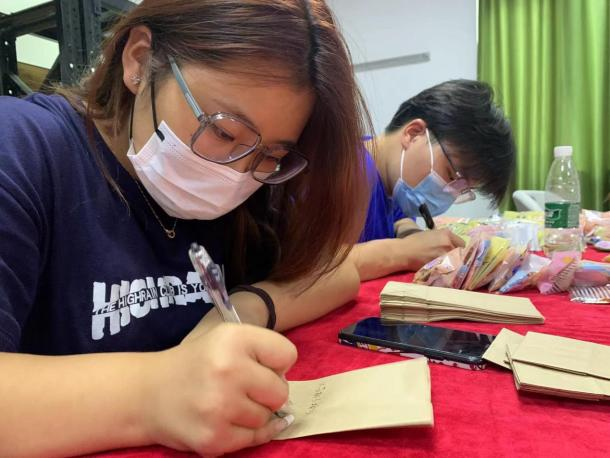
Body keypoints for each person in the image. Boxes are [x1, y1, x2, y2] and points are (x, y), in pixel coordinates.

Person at [0, 1, 373, 456]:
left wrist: (238, 312)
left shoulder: (251, 190)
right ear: (139, 60)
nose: (236, 174)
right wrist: (154, 394)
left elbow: (333, 271)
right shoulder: (22, 148)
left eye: (271, 156)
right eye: (222, 131)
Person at [350, 80, 516, 280]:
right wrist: (404, 251)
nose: (449, 194)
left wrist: (415, 236)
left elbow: (398, 219)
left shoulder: (392, 181)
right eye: (452, 175)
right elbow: (320, 269)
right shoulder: (348, 170)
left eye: (461, 189)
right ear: (413, 134)